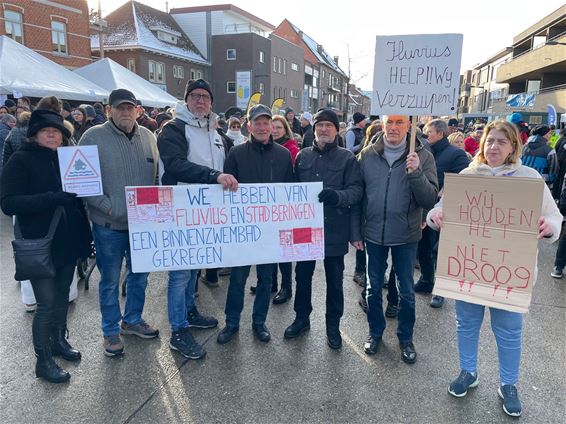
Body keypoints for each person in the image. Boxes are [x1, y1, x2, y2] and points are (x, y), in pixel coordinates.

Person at [427, 119, 561, 417]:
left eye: (502, 141)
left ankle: (508, 384)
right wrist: (435, 217)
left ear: (514, 146)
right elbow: (442, 208)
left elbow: (554, 217)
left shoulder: (529, 178)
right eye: (490, 140)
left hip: (508, 273)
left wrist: (548, 226)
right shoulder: (468, 175)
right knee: (466, 323)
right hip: (470, 270)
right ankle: (468, 372)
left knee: (509, 331)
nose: (494, 146)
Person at [1, 109, 92, 383]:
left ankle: (59, 341)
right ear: (35, 135)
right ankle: (43, 361)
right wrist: (52, 198)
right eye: (46, 131)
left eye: (58, 131)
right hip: (39, 242)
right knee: (46, 303)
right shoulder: (21, 160)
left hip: (67, 240)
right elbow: (8, 203)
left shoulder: (67, 158)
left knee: (63, 295)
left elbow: (76, 199)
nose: (53, 135)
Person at [158, 78, 238, 359]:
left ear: (212, 102)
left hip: (206, 213)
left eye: (205, 96)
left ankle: (189, 312)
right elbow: (176, 165)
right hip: (182, 210)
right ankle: (178, 331)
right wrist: (213, 177)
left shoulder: (215, 131)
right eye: (195, 96)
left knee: (195, 267)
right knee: (179, 273)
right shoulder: (174, 129)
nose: (200, 101)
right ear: (187, 100)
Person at [79, 89, 160, 357]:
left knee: (139, 277)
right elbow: (83, 181)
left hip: (141, 225)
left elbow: (157, 177)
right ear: (109, 110)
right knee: (110, 280)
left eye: (130, 108)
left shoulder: (148, 137)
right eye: (120, 108)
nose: (126, 112)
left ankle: (133, 320)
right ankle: (110, 331)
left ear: (137, 110)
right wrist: (107, 207)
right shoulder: (92, 137)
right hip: (108, 227)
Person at [356, 115, 438, 363]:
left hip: (406, 234)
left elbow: (430, 199)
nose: (393, 127)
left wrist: (415, 173)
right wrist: (356, 231)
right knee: (372, 289)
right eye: (389, 122)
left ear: (409, 126)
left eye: (399, 122)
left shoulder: (423, 156)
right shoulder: (368, 154)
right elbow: (359, 194)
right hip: (373, 233)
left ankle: (405, 338)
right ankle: (375, 333)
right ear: (382, 125)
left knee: (406, 292)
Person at [284, 108, 363, 349]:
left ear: (337, 129)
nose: (324, 129)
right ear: (315, 128)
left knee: (335, 280)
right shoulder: (303, 156)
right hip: (305, 229)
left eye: (329, 125)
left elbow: (356, 191)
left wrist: (337, 197)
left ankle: (332, 326)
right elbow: (292, 190)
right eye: (320, 125)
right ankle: (301, 318)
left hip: (334, 228)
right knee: (303, 276)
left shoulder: (347, 158)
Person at [217, 104, 293, 345]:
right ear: (249, 126)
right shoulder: (236, 154)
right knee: (237, 279)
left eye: (266, 122)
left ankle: (259, 322)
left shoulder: (283, 155)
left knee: (266, 279)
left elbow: (289, 192)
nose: (262, 127)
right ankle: (231, 322)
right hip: (243, 229)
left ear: (272, 126)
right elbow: (225, 193)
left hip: (269, 231)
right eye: (257, 123)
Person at [414, 119, 470, 308]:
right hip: (426, 208)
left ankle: (441, 291)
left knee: (442, 252)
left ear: (440, 133)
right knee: (424, 248)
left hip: (446, 211)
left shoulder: (456, 154)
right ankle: (427, 281)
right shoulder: (424, 151)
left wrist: (446, 190)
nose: (426, 135)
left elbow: (463, 182)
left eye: (429, 132)